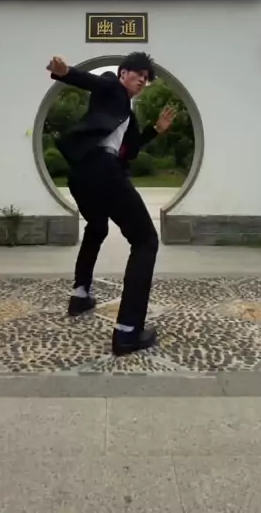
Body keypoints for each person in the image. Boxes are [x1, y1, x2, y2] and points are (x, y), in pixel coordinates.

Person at [46, 52, 175, 356]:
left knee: (97, 226)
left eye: (146, 78)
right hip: (101, 169)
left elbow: (131, 150)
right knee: (145, 241)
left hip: (82, 175)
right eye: (138, 74)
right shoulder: (110, 86)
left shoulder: (127, 114)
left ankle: (80, 295)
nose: (142, 80)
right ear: (123, 73)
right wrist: (66, 73)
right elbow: (90, 81)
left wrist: (156, 130)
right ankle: (128, 331)